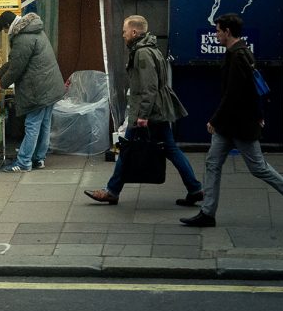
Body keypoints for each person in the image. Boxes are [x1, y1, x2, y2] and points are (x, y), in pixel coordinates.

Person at [180, 13, 283, 229]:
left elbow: (234, 94)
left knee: (259, 168)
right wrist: (259, 113)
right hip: (231, 125)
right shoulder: (241, 52)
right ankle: (207, 213)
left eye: (218, 30)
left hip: (239, 125)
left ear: (227, 32)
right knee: (213, 163)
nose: (216, 34)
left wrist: (215, 119)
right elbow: (254, 88)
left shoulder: (238, 56)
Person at [84, 15, 203, 205]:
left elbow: (149, 86)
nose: (123, 35)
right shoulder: (150, 48)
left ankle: (112, 191)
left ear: (133, 32)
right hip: (156, 109)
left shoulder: (142, 53)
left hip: (148, 112)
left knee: (128, 149)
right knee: (167, 149)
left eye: (124, 31)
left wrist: (143, 115)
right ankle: (195, 188)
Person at [0, 10, 65, 172]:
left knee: (32, 124)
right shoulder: (33, 29)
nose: (7, 33)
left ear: (9, 26)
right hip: (49, 85)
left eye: (5, 30)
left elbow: (16, 68)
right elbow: (16, 60)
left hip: (39, 88)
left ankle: (23, 162)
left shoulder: (23, 38)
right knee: (44, 123)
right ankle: (38, 159)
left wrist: (2, 84)